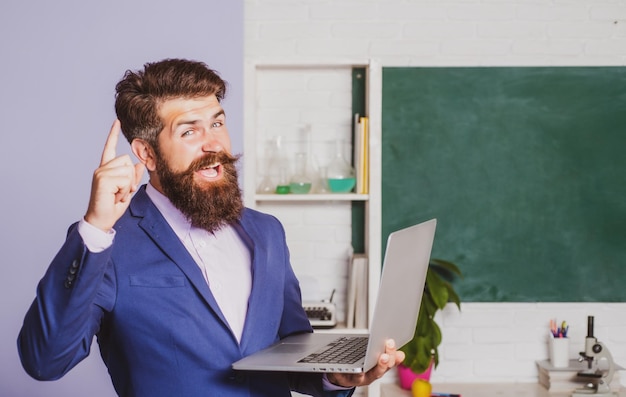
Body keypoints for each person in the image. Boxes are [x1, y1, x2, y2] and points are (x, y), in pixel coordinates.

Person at [18, 58, 404, 397]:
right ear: (146, 153)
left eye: (217, 123)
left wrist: (333, 376)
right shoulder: (108, 245)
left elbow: (289, 352)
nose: (213, 143)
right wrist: (96, 226)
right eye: (189, 131)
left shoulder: (267, 232)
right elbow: (45, 361)